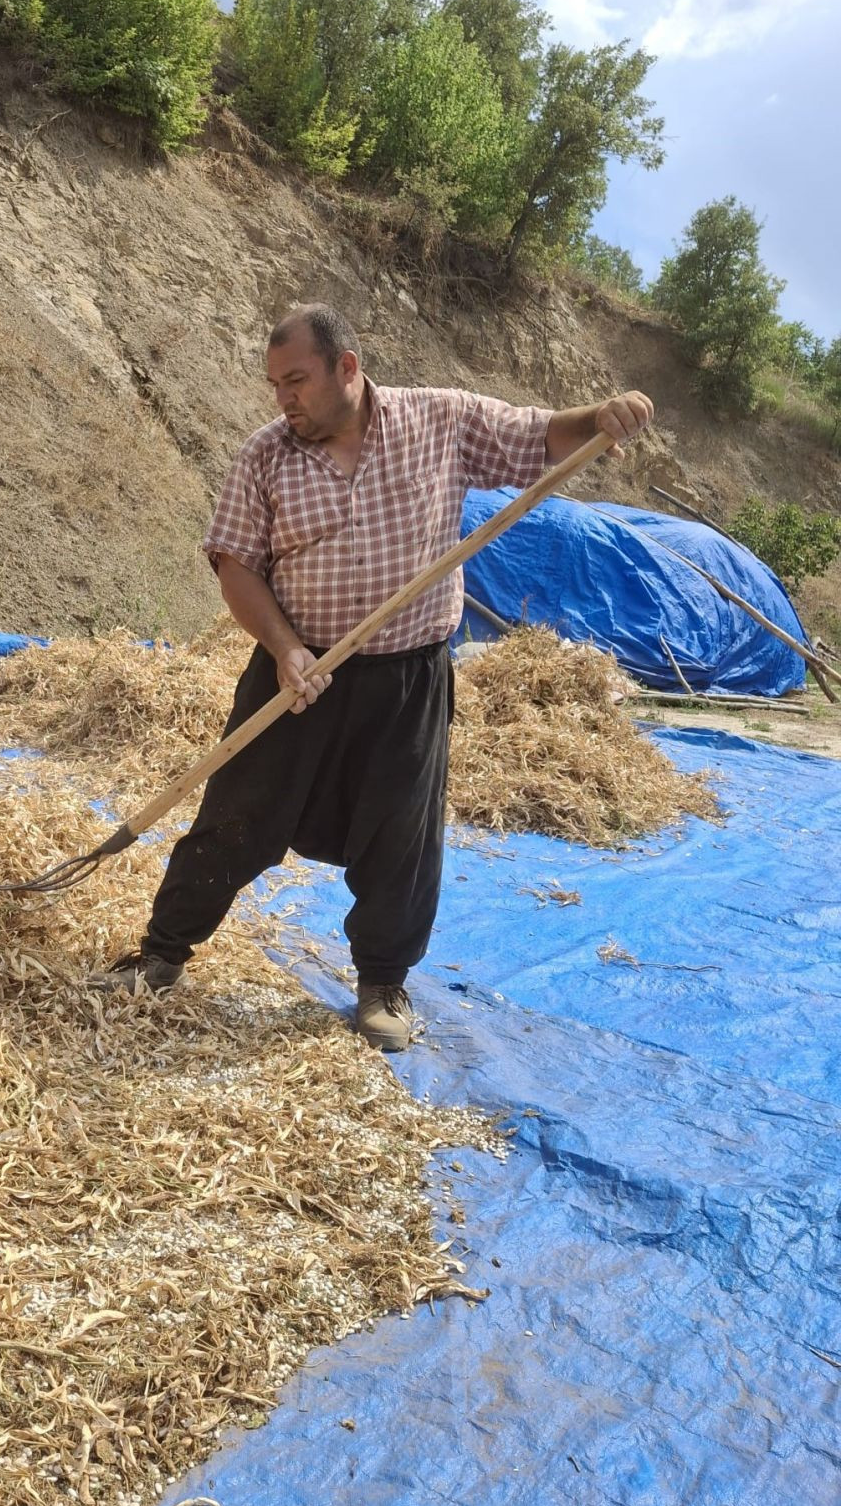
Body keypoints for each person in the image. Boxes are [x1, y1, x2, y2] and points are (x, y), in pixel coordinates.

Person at [95, 303, 653, 1049]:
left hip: (406, 676)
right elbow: (236, 565)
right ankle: (162, 953)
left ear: (347, 368)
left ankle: (383, 982)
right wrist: (286, 648)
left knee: (401, 836)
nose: (283, 397)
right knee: (235, 815)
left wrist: (601, 417)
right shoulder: (266, 456)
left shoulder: (440, 422)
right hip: (299, 674)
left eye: (297, 379)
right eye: (275, 384)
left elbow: (539, 434)